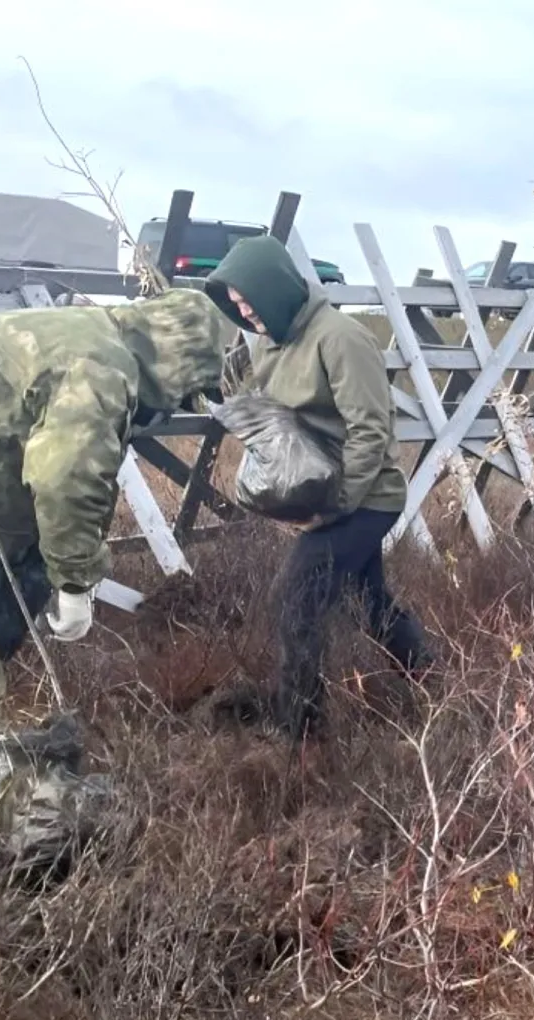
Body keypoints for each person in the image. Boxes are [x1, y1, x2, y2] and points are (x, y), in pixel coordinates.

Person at [0, 287, 229, 834]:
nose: (175, 408)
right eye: (186, 391)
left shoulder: (77, 334)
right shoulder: (102, 368)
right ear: (175, 361)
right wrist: (76, 584)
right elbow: (68, 479)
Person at [203, 236, 433, 740]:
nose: (246, 313)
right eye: (236, 305)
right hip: (319, 494)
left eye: (250, 301)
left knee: (294, 598)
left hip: (366, 496)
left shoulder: (341, 338)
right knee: (369, 600)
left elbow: (372, 431)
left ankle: (300, 729)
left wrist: (331, 510)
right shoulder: (267, 341)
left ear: (275, 290)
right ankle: (434, 683)